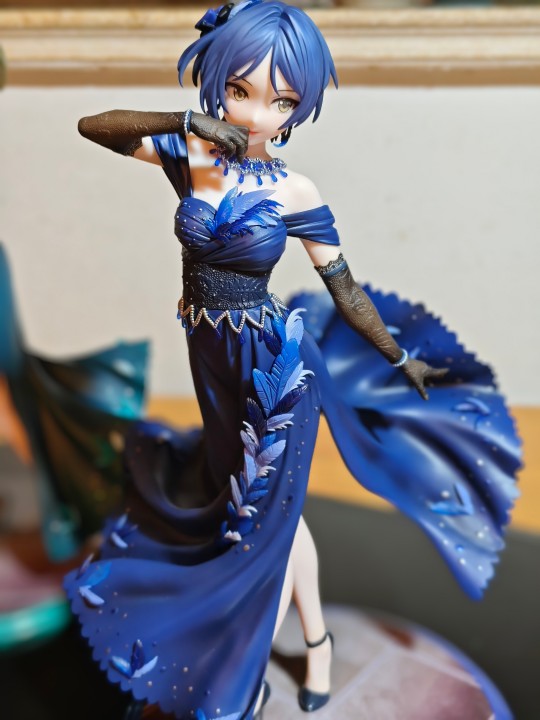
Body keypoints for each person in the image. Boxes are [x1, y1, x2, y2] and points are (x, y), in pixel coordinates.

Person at [64, 2, 521, 719]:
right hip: (209, 357)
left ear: (298, 109)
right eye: (240, 90)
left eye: (279, 101)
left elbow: (346, 289)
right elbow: (94, 126)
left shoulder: (293, 191)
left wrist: (400, 357)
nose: (256, 114)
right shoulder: (191, 159)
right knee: (261, 511)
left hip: (273, 371)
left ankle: (256, 672)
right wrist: (184, 121)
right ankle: (315, 641)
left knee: (261, 521)